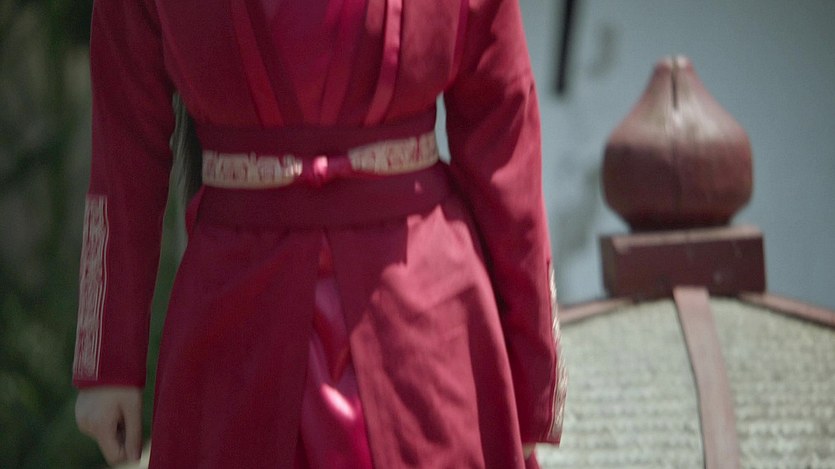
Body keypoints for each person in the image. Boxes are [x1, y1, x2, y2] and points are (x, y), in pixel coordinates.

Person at [72, 0, 566, 467]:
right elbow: (126, 146)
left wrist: (533, 375)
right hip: (235, 333)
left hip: (422, 334)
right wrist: (109, 363)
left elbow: (504, 141)